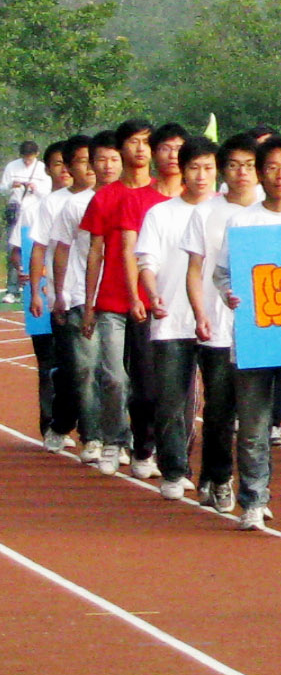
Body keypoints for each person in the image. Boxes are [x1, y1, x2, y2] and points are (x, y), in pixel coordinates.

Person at [195, 137, 281, 536]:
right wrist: (229, 293)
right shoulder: (243, 222)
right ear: (260, 174)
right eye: (271, 167)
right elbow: (222, 273)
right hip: (255, 341)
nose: (280, 175)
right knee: (254, 428)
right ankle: (254, 500)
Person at [80, 119, 166, 476]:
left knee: (148, 382)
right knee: (114, 376)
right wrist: (89, 304)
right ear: (121, 148)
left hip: (152, 303)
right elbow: (95, 253)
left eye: (146, 142)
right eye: (133, 142)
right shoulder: (105, 196)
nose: (140, 149)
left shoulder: (163, 197)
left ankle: (144, 446)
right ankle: (114, 440)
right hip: (112, 302)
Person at [180, 134, 261, 512]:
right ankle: (219, 476)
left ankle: (252, 486)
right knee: (220, 408)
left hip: (262, 327)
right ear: (223, 171)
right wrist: (200, 314)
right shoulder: (205, 213)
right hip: (217, 326)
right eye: (234, 165)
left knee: (256, 414)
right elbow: (195, 271)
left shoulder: (270, 210)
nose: (242, 173)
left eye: (249, 165)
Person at [136, 134, 217, 501]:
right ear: (182, 171)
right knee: (170, 400)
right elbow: (147, 261)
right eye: (194, 168)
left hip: (218, 322)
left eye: (208, 168)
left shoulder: (227, 214)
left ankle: (213, 475)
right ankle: (173, 469)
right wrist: (152, 293)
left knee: (217, 405)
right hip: (171, 318)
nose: (201, 175)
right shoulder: (160, 214)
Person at [49, 135, 109, 463]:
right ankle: (93, 436)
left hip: (120, 299)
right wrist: (60, 294)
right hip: (81, 298)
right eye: (91, 161)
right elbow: (61, 249)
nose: (99, 167)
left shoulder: (130, 200)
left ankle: (119, 436)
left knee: (117, 374)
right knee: (85, 370)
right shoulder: (74, 205)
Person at [23, 144, 72, 442]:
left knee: (78, 365)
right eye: (57, 163)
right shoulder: (35, 207)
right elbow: (22, 248)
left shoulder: (88, 201)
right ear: (47, 168)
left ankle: (86, 426)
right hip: (42, 294)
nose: (64, 169)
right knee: (48, 363)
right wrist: (29, 276)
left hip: (75, 297)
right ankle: (50, 423)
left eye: (69, 163)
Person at [3, 139, 49, 297]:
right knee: (13, 248)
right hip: (16, 209)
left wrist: (34, 188)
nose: (27, 161)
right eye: (25, 157)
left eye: (30, 157)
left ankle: (35, 284)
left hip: (35, 212)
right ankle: (12, 288)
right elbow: (2, 189)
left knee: (36, 248)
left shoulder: (42, 169)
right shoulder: (12, 166)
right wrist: (11, 185)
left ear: (36, 154)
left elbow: (47, 193)